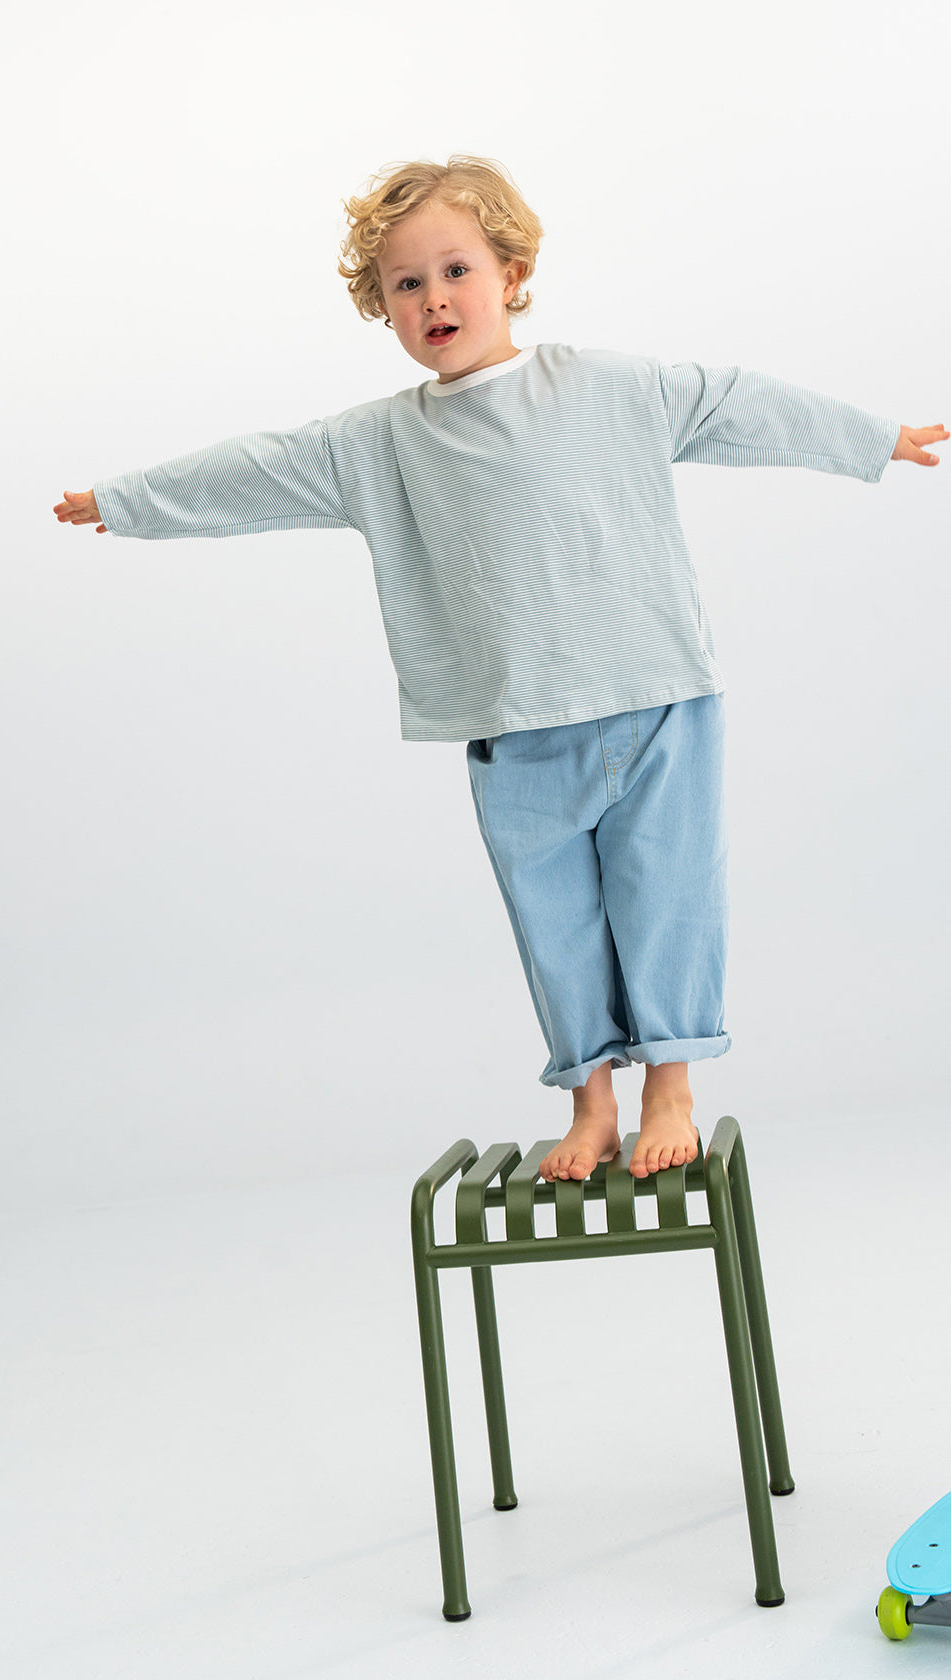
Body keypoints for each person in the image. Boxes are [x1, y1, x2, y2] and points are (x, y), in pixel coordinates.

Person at [54, 155, 946, 1183]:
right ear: (379, 306)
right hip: (511, 728)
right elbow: (253, 470)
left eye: (455, 270)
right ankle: (590, 1105)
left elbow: (734, 402)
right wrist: (124, 500)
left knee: (666, 898)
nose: (434, 297)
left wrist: (870, 438)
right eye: (405, 283)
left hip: (652, 699)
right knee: (555, 926)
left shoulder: (610, 387)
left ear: (511, 272)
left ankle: (671, 1085)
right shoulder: (378, 443)